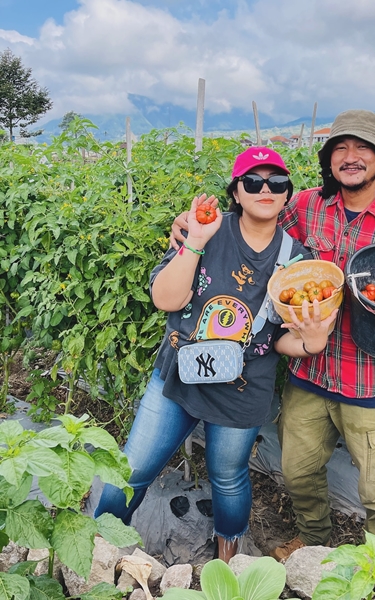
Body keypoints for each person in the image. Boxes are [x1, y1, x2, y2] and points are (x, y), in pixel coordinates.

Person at [170, 110, 375, 558]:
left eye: (362, 149)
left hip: (370, 381)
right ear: (328, 161)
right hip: (310, 371)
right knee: (298, 472)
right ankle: (314, 545)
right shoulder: (305, 207)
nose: (350, 158)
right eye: (340, 149)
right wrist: (192, 227)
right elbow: (255, 220)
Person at [94, 147, 335, 562]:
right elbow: (166, 299)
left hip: (242, 388)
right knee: (130, 471)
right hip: (177, 376)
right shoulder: (205, 229)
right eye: (252, 181)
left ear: (286, 196)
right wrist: (195, 243)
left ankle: (229, 562)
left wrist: (312, 342)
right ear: (236, 193)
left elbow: (276, 339)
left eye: (276, 183)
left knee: (228, 477)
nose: (265, 189)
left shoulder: (298, 261)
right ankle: (96, 552)